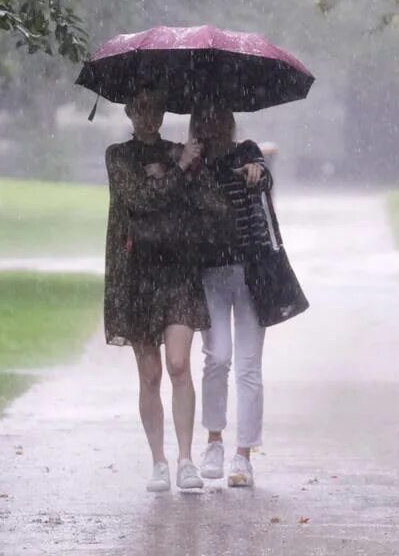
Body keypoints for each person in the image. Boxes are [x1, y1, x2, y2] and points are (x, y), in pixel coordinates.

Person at [104, 86, 211, 493]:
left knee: (179, 365)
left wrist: (190, 167)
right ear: (130, 111)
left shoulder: (179, 152)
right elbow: (139, 201)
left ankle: (187, 459)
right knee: (149, 374)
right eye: (141, 108)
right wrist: (176, 174)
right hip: (138, 275)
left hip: (178, 271)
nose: (149, 115)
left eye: (156, 107)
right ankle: (159, 462)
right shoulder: (118, 156)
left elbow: (208, 204)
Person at [189, 103, 272, 488]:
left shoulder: (246, 153)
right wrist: (185, 165)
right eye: (207, 118)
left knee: (249, 366)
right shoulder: (194, 164)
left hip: (252, 271)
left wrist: (257, 173)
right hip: (211, 271)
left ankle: (244, 455)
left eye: (220, 117)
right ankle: (214, 441)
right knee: (217, 357)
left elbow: (265, 178)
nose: (214, 123)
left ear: (230, 121)